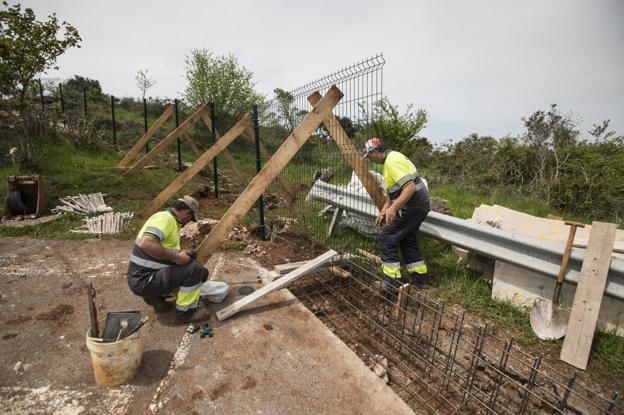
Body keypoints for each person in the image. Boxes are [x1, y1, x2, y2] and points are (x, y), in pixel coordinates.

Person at [126, 195, 210, 323]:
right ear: (187, 213)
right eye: (190, 219)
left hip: (144, 276)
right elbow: (146, 243)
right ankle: (186, 313)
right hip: (144, 280)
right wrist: (178, 258)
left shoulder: (167, 219)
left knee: (202, 272)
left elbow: (163, 248)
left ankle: (157, 299)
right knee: (196, 269)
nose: (188, 222)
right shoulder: (166, 219)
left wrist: (182, 253)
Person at [362, 137, 432, 289]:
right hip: (419, 205)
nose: (370, 160)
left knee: (387, 238)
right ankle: (420, 278)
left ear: (374, 152)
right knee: (407, 239)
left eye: (369, 156)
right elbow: (395, 192)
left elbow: (409, 188)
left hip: (412, 206)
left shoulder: (392, 162)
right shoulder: (391, 159)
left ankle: (391, 282)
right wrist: (384, 209)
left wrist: (393, 208)